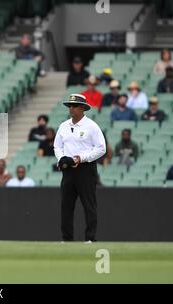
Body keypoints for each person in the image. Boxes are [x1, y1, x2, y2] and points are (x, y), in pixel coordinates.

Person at [53, 94, 106, 242]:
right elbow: (57, 146)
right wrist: (62, 158)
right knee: (66, 206)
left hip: (85, 169)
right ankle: (67, 238)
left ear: (83, 108)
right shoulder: (63, 126)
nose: (71, 108)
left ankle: (90, 238)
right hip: (68, 170)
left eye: (74, 105)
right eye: (70, 105)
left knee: (89, 205)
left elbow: (101, 149)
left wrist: (81, 158)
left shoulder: (91, 126)